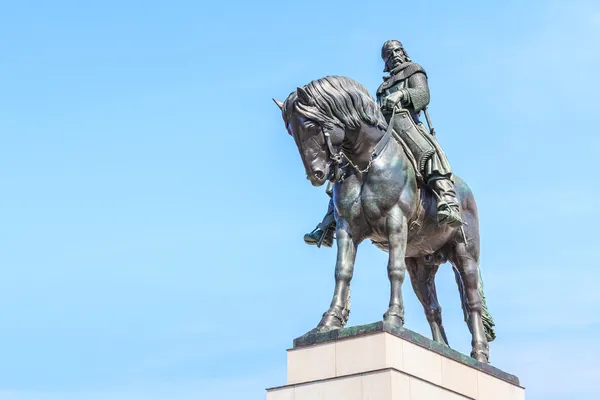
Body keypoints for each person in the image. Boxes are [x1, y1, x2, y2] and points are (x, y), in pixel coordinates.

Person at [304, 40, 463, 247]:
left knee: (427, 150)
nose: (395, 55)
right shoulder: (383, 86)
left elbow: (423, 96)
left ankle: (446, 198)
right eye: (389, 54)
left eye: (398, 51)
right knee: (345, 164)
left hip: (406, 123)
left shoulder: (414, 71)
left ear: (404, 52)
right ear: (386, 62)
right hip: (381, 128)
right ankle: (329, 223)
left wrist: (402, 94)